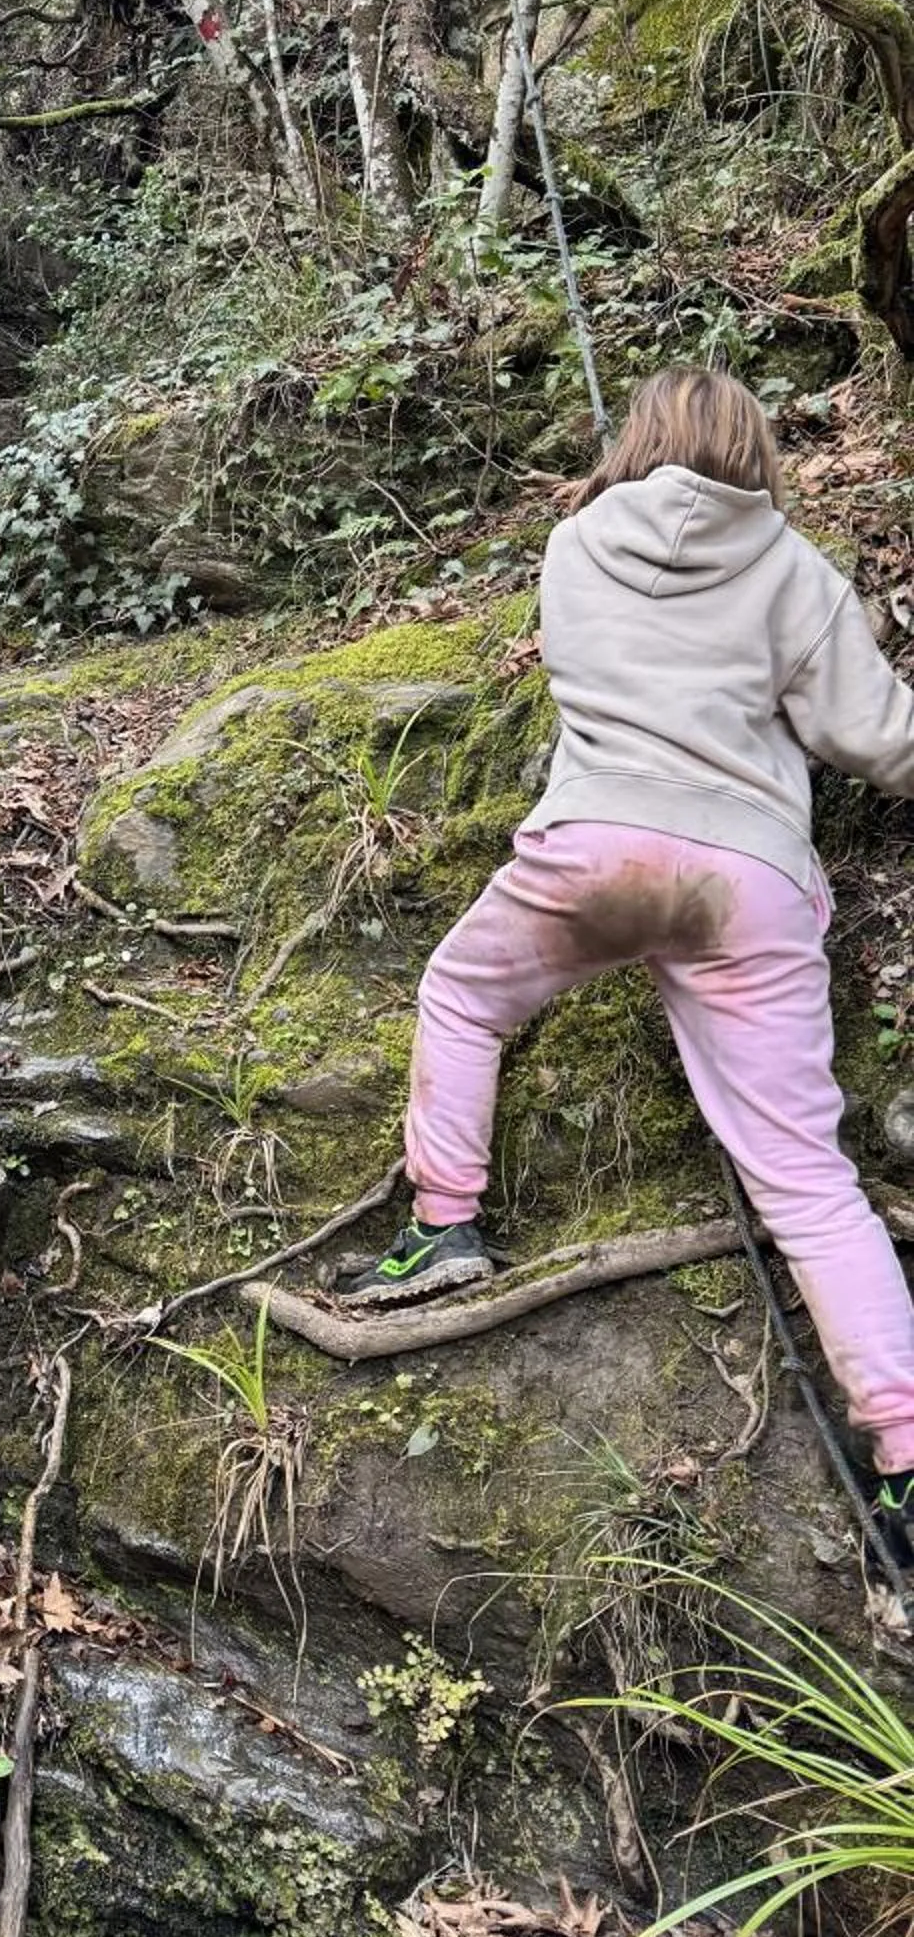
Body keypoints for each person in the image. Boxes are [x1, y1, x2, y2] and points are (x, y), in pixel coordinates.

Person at [344, 366, 914, 1557]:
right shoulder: (802, 576)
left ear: (642, 438)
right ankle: (907, 1448)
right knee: (806, 1177)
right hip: (744, 879)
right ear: (757, 450)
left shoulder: (572, 546)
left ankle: (447, 1225)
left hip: (592, 846)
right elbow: (873, 741)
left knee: (463, 994)